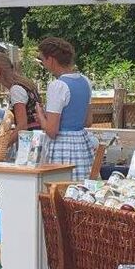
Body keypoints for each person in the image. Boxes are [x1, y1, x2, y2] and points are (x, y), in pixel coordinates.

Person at [33, 37, 97, 181]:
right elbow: (88, 121)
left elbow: (51, 131)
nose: (44, 64)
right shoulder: (85, 81)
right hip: (82, 145)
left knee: (60, 191)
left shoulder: (58, 86)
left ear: (51, 60)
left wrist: (41, 116)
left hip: (63, 148)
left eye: (43, 60)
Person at [0, 51, 41, 147]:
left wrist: (2, 146)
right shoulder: (24, 84)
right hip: (38, 137)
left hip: (30, 142)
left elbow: (22, 126)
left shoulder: (16, 90)